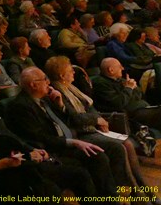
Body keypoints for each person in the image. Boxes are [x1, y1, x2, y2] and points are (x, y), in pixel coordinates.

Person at [0, 71, 96, 198]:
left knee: (84, 165)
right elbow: (4, 143)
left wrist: (32, 149)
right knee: (79, 174)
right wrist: (30, 152)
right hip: (17, 163)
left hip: (28, 152)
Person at [6, 67, 117, 196]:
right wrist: (73, 143)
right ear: (33, 84)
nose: (48, 82)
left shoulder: (47, 98)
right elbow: (41, 137)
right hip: (54, 149)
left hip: (71, 140)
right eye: (44, 79)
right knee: (94, 160)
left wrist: (60, 104)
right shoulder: (21, 106)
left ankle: (117, 197)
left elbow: (70, 120)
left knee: (109, 151)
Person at [44, 56, 139, 189]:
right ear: (61, 75)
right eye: (70, 70)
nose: (74, 72)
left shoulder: (71, 88)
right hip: (82, 132)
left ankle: (140, 186)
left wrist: (99, 120)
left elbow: (90, 107)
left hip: (92, 127)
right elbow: (75, 118)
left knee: (128, 143)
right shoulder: (57, 92)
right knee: (120, 147)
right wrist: (96, 119)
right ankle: (134, 190)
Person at [92, 57, 161, 131]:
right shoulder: (100, 83)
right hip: (128, 115)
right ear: (111, 70)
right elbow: (118, 103)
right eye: (119, 66)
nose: (122, 68)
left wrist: (134, 87)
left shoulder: (120, 80)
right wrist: (129, 88)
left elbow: (139, 96)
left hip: (141, 108)